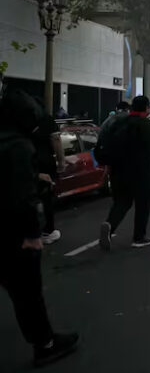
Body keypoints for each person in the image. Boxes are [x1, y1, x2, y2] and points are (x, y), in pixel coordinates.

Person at [0, 87, 80, 367]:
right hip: (12, 234)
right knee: (27, 294)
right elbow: (22, 197)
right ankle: (45, 344)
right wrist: (33, 234)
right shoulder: (19, 145)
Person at [99, 95, 150, 250]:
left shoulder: (117, 123)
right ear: (147, 108)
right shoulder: (148, 126)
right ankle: (138, 237)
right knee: (143, 204)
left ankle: (110, 225)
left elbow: (106, 145)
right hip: (141, 172)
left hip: (118, 171)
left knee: (122, 201)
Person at [33, 110, 65, 245]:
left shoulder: (14, 120)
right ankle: (47, 231)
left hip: (22, 163)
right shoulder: (46, 119)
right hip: (44, 164)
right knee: (45, 198)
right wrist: (61, 162)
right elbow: (56, 140)